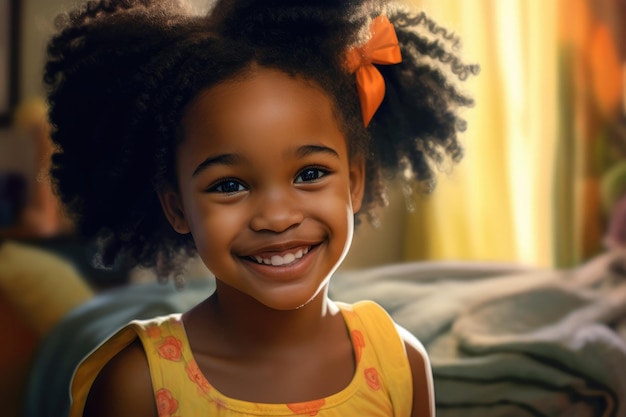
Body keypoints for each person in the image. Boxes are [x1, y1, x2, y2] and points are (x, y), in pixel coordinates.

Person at [44, 0, 478, 415]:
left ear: (355, 181)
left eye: (309, 174)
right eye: (229, 184)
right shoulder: (137, 384)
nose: (277, 217)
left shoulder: (399, 364)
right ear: (176, 207)